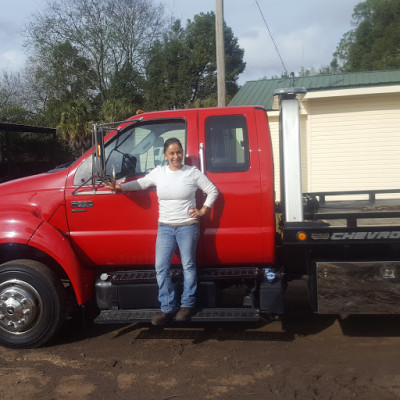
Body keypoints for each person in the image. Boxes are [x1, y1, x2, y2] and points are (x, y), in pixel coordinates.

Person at [107, 138, 218, 325]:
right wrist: (120, 188)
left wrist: (202, 210)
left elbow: (212, 190)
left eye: (179, 152)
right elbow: (141, 183)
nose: (176, 156)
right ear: (165, 155)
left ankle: (186, 305)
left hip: (188, 226)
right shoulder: (159, 172)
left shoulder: (192, 172)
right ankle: (167, 307)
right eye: (172, 153)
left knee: (188, 266)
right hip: (165, 227)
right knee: (161, 267)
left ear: (182, 153)